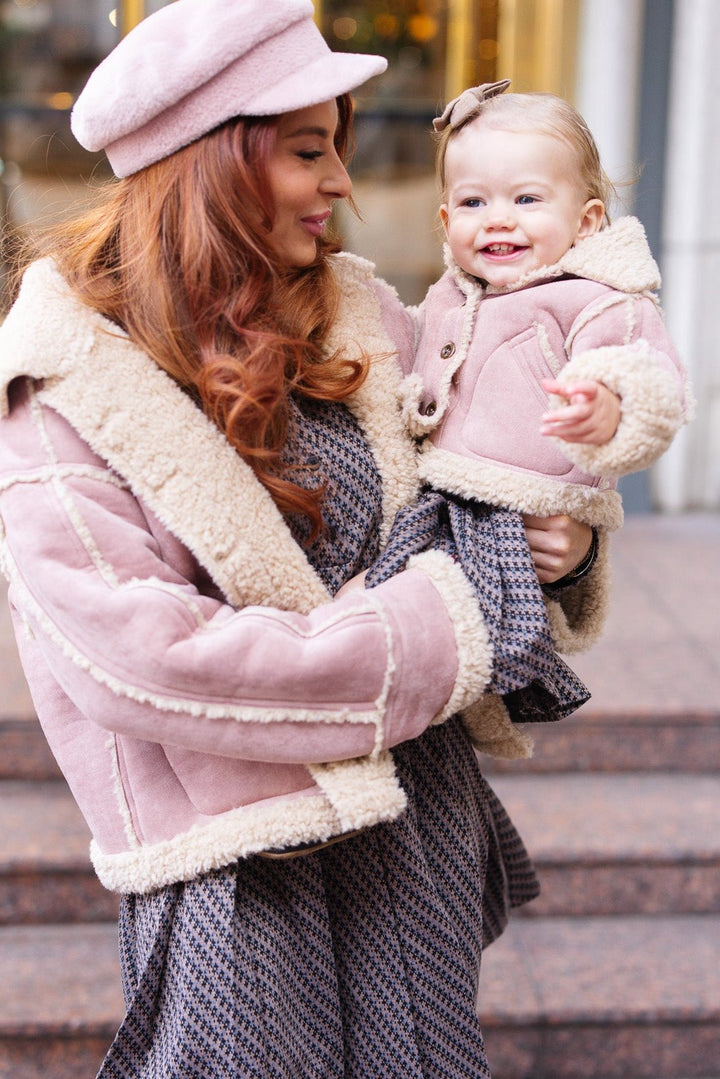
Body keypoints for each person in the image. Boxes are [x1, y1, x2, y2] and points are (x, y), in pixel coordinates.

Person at [0, 5, 604, 1076]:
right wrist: (437, 622)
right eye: (307, 148)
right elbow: (142, 659)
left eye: (339, 143)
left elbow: (493, 465)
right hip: (245, 867)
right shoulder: (60, 389)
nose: (342, 182)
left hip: (413, 822)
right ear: (210, 164)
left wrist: (563, 534)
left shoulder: (360, 311)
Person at [368, 81, 691, 757]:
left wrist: (608, 404)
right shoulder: (451, 297)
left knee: (462, 638)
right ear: (445, 218)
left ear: (587, 221)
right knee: (406, 623)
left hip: (519, 512)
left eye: (526, 199)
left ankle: (510, 686)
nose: (498, 220)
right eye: (473, 202)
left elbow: (650, 377)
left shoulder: (596, 302)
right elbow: (415, 354)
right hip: (441, 500)